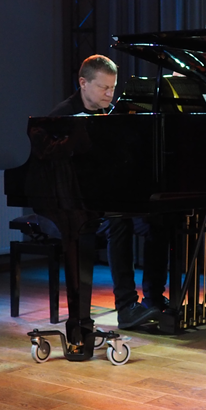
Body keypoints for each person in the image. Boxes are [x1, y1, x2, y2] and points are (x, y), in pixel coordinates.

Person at [48, 54, 166, 332]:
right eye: (104, 87)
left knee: (158, 221)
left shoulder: (113, 114)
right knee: (118, 222)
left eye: (113, 88)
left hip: (109, 198)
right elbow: (55, 172)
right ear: (83, 83)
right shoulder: (61, 116)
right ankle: (126, 307)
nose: (109, 94)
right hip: (75, 205)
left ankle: (154, 300)